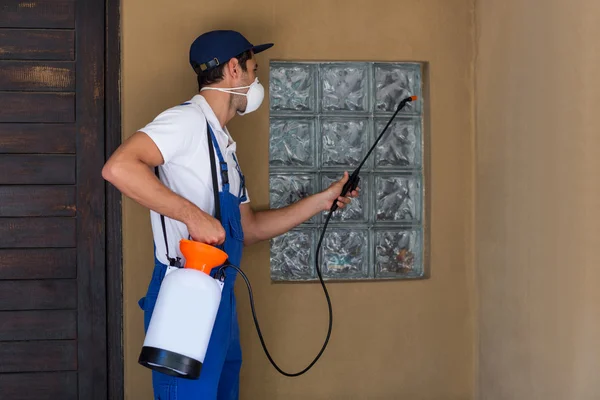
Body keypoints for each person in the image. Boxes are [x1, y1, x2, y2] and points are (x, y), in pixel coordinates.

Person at [102, 29, 359, 400]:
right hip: (186, 297)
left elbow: (249, 228)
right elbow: (119, 167)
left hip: (221, 295)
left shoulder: (223, 146)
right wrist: (193, 216)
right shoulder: (186, 121)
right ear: (234, 70)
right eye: (254, 70)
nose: (257, 81)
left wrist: (321, 202)